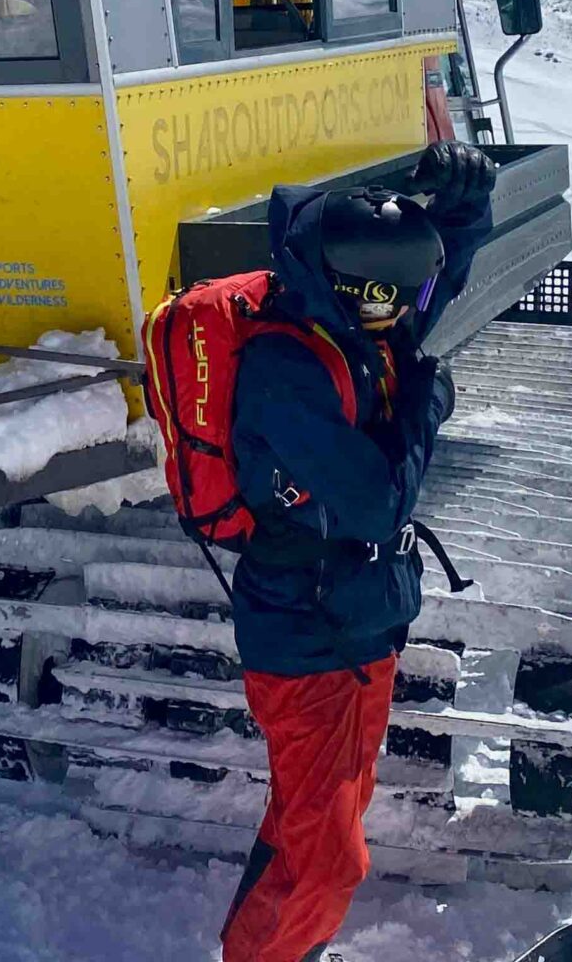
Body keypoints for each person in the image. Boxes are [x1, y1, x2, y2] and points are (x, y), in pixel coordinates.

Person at [218, 142, 497, 962]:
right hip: (304, 630)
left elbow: (426, 291)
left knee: (314, 822)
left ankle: (281, 949)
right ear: (345, 290)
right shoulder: (284, 368)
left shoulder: (354, 321)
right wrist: (424, 402)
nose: (398, 317)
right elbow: (377, 502)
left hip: (360, 621)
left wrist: (462, 207)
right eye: (382, 303)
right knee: (328, 855)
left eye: (396, 302)